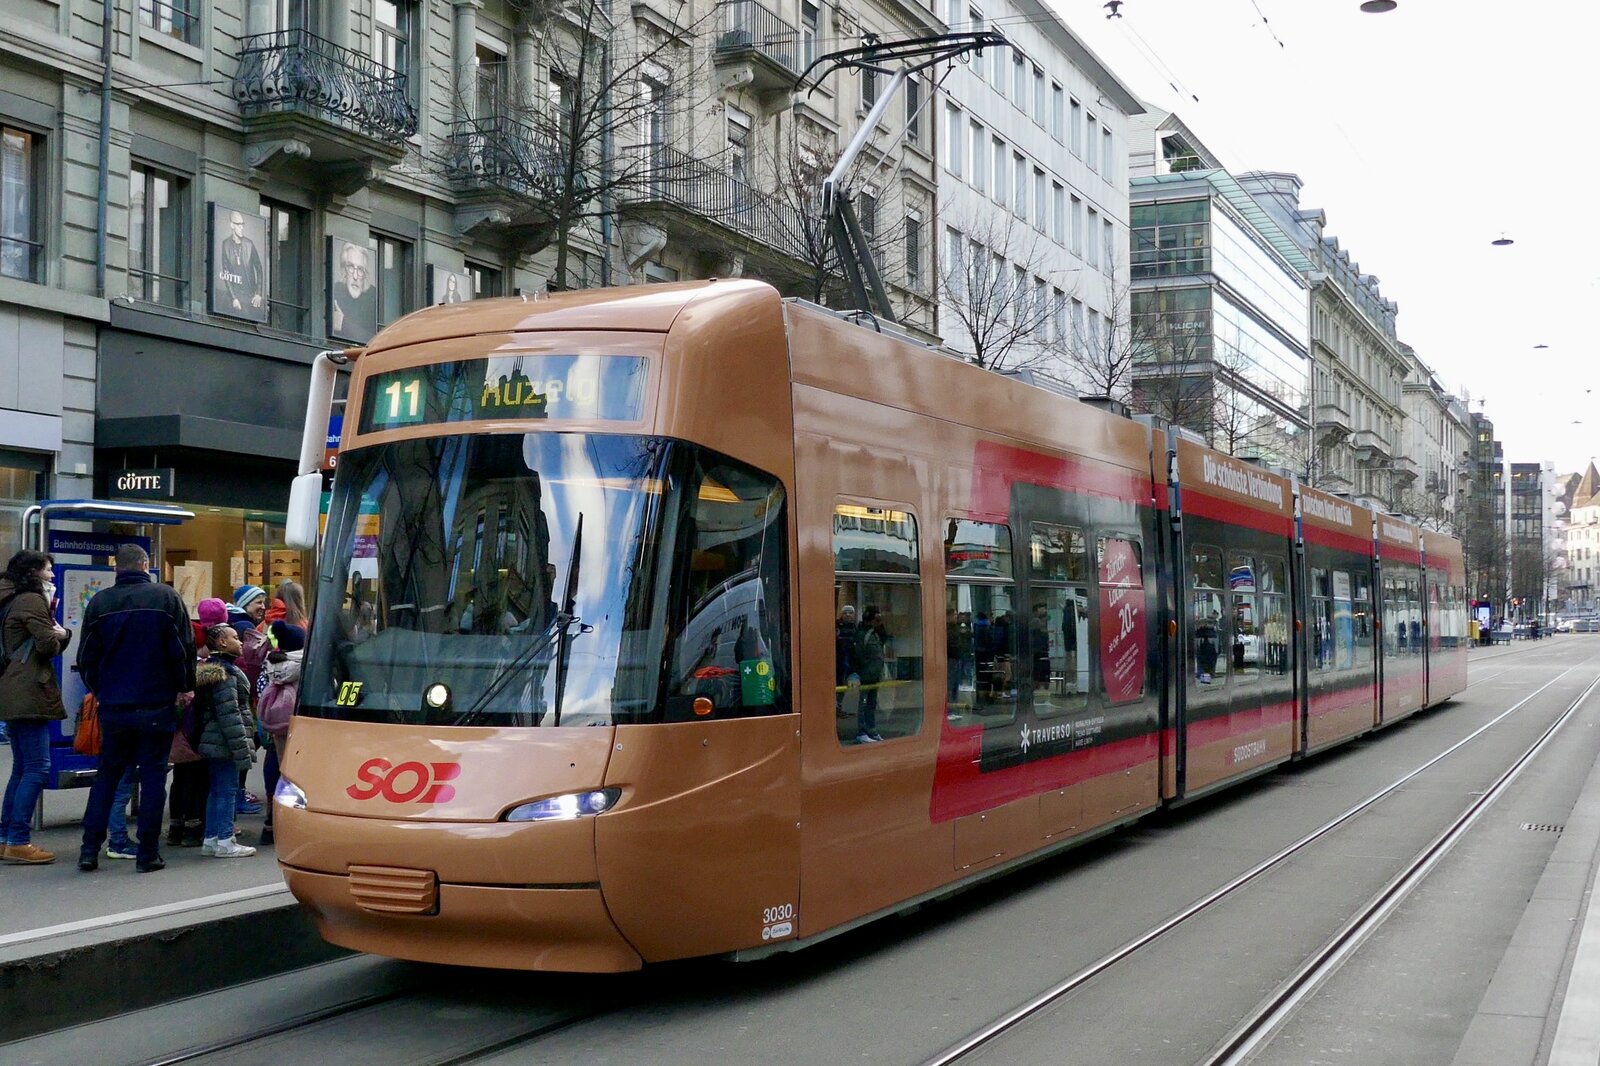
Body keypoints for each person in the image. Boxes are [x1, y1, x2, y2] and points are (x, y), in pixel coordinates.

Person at [76, 544, 195, 873]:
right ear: (145, 565)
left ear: (116, 568)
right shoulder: (166, 598)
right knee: (153, 778)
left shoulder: (100, 602)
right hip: (157, 703)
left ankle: (89, 850)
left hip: (115, 705)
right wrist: (184, 686)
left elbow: (87, 657)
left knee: (108, 776)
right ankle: (148, 854)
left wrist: (101, 690)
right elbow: (182, 648)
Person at [0, 550, 71, 864]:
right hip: (29, 690)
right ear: (33, 572)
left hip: (12, 688)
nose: (52, 575)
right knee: (38, 767)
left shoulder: (9, 597)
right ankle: (18, 840)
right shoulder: (31, 600)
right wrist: (63, 634)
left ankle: (6, 837)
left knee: (21, 768)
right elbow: (47, 645)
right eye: (48, 570)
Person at [194, 625, 256, 857]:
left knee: (217, 789)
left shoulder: (215, 671)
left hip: (214, 739)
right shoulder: (226, 674)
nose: (240, 642)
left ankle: (211, 839)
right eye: (235, 638)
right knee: (228, 790)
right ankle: (225, 840)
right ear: (222, 642)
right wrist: (241, 747)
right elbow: (230, 714)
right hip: (225, 741)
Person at [258, 622, 304, 846]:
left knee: (279, 769)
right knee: (298, 776)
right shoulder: (305, 666)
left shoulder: (272, 664)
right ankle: (294, 823)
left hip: (277, 727)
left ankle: (272, 822)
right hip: (301, 725)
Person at [216, 210, 265, 318]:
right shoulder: (226, 244)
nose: (241, 227)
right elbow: (226, 273)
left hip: (250, 294)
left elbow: (259, 268)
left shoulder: (249, 244)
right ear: (232, 225)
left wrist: (258, 293)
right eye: (238, 224)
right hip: (236, 295)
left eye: (242, 224)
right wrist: (234, 298)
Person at [330, 241, 378, 342]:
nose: (355, 276)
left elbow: (376, 340)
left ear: (365, 274)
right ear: (344, 269)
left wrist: (343, 324)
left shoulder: (374, 296)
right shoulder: (335, 291)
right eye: (350, 267)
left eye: (360, 269)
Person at [853, 606, 888, 744]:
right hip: (865, 674)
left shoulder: (875, 633)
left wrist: (880, 626)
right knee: (863, 704)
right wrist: (861, 671)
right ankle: (862, 731)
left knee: (872, 705)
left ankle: (871, 730)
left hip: (874, 675)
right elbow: (858, 654)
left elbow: (884, 638)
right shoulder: (862, 634)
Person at [835, 604, 859, 718]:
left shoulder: (856, 628)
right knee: (838, 686)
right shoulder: (836, 627)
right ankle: (836, 708)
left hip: (850, 662)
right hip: (838, 662)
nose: (848, 615)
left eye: (850, 613)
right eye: (845, 613)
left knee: (845, 687)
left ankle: (840, 707)